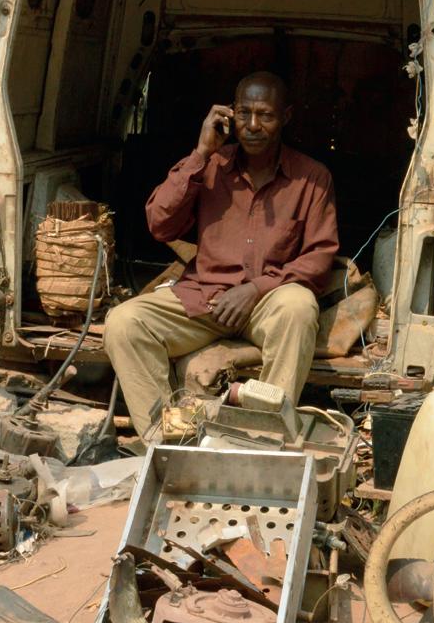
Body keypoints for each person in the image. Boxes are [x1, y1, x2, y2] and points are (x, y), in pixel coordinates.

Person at [105, 71, 339, 437]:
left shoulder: (311, 177)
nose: (253, 125)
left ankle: (264, 435)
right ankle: (168, 438)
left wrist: (255, 289)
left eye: (265, 115)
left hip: (267, 303)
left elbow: (319, 257)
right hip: (205, 299)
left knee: (298, 307)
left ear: (286, 117)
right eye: (244, 113)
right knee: (123, 322)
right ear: (229, 113)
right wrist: (201, 152)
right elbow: (159, 224)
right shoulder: (210, 165)